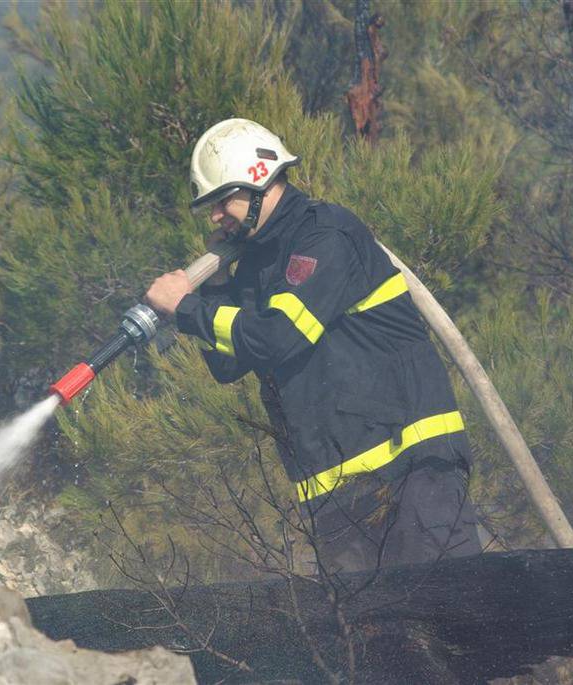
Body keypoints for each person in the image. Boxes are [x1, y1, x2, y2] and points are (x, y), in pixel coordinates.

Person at [145, 118, 481, 572]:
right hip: (336, 493)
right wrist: (219, 284)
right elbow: (228, 366)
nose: (215, 217)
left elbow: (276, 339)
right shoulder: (257, 263)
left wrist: (185, 307)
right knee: (368, 641)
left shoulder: (325, 237)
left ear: (258, 180)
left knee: (448, 621)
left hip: (410, 473)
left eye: (222, 200)